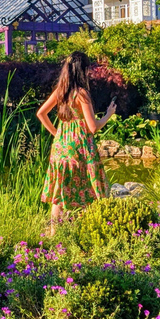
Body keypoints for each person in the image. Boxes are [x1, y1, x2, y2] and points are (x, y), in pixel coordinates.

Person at [37, 51, 116, 235]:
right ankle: (90, 231)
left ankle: (54, 233)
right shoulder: (82, 94)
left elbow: (41, 113)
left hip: (60, 148)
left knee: (60, 192)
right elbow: (92, 128)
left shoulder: (60, 92)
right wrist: (108, 115)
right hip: (80, 148)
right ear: (83, 70)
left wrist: (57, 134)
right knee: (90, 188)